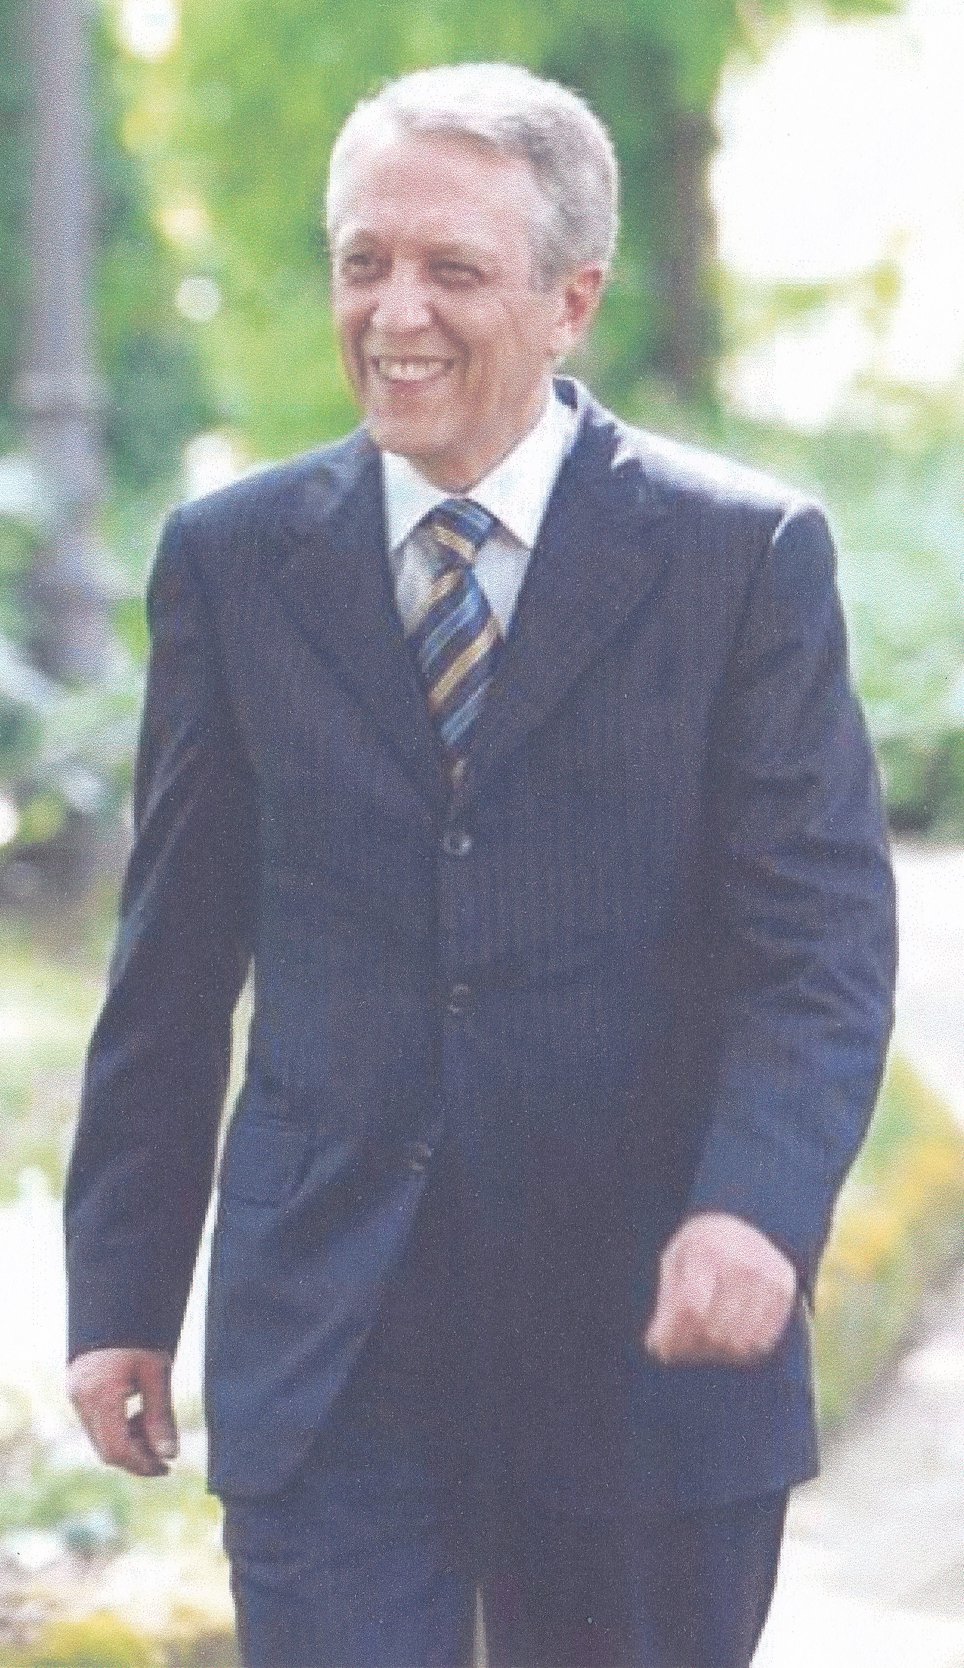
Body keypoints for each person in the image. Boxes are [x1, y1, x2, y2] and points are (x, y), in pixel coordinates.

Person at [64, 61, 897, 1668]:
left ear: (571, 299)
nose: (396, 313)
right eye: (364, 262)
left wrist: (754, 1210)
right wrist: (120, 1297)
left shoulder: (743, 558)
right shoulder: (233, 562)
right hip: (333, 1342)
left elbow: (820, 946)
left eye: (452, 269)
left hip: (645, 1337)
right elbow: (171, 961)